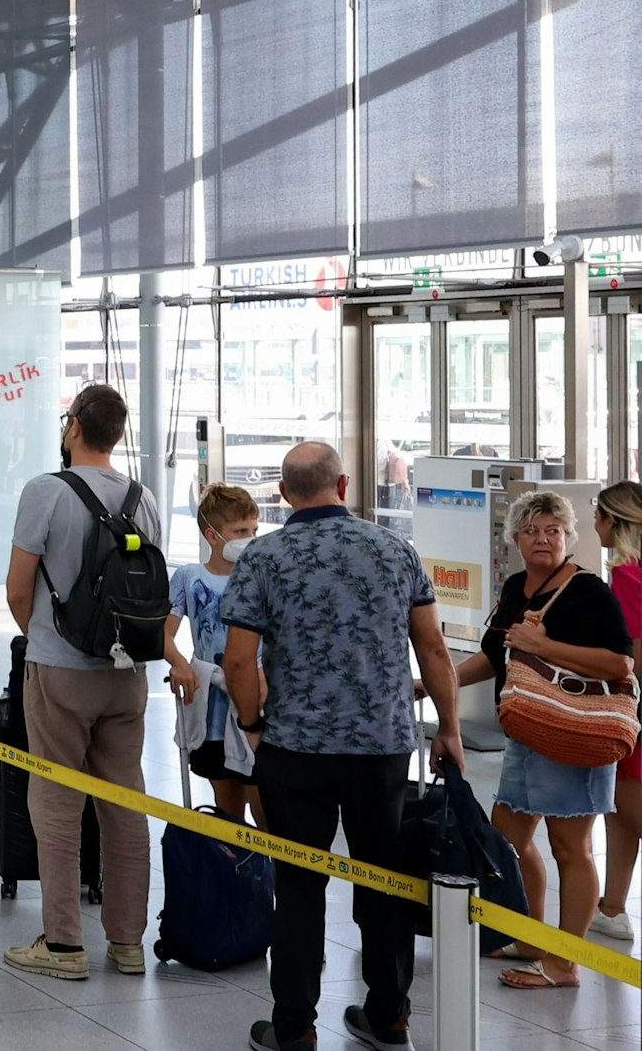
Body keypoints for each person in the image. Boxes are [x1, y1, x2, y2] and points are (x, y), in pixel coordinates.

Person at [221, 442, 463, 1050]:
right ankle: (390, 1017)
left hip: (296, 748)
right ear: (345, 485)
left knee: (300, 884)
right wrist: (450, 728)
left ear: (283, 493)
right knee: (384, 879)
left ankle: (296, 1028)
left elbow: (239, 657)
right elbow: (432, 649)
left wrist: (253, 721)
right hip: (381, 747)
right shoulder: (395, 550)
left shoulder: (264, 555)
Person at [1, 384, 161, 978]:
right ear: (116, 434)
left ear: (72, 428)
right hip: (127, 673)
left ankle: (64, 943)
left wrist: (46, 637)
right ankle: (127, 942)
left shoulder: (46, 490)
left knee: (57, 801)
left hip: (60, 671)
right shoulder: (142, 499)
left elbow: (19, 589)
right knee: (125, 802)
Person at [445, 491, 629, 990]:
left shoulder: (588, 590)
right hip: (525, 732)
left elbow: (620, 664)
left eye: (553, 530)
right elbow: (499, 656)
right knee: (508, 836)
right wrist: (441, 683)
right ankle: (528, 936)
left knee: (571, 848)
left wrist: (542, 644)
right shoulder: (516, 587)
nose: (542, 539)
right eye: (532, 530)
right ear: (516, 539)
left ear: (569, 538)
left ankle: (564, 963)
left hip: (575, 735)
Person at [163, 483, 264, 826]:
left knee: (266, 808)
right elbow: (164, 634)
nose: (249, 538)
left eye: (253, 530)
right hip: (212, 713)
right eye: (239, 531)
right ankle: (234, 875)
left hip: (258, 702)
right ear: (212, 534)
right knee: (228, 811)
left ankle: (271, 877)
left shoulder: (262, 577)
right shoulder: (190, 579)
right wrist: (179, 663)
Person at [592, 481, 642, 941]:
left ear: (614, 521)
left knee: (630, 807)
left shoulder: (627, 577)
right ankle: (611, 907)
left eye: (599, 516)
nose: (594, 525)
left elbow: (633, 655)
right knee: (618, 810)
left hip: (635, 712)